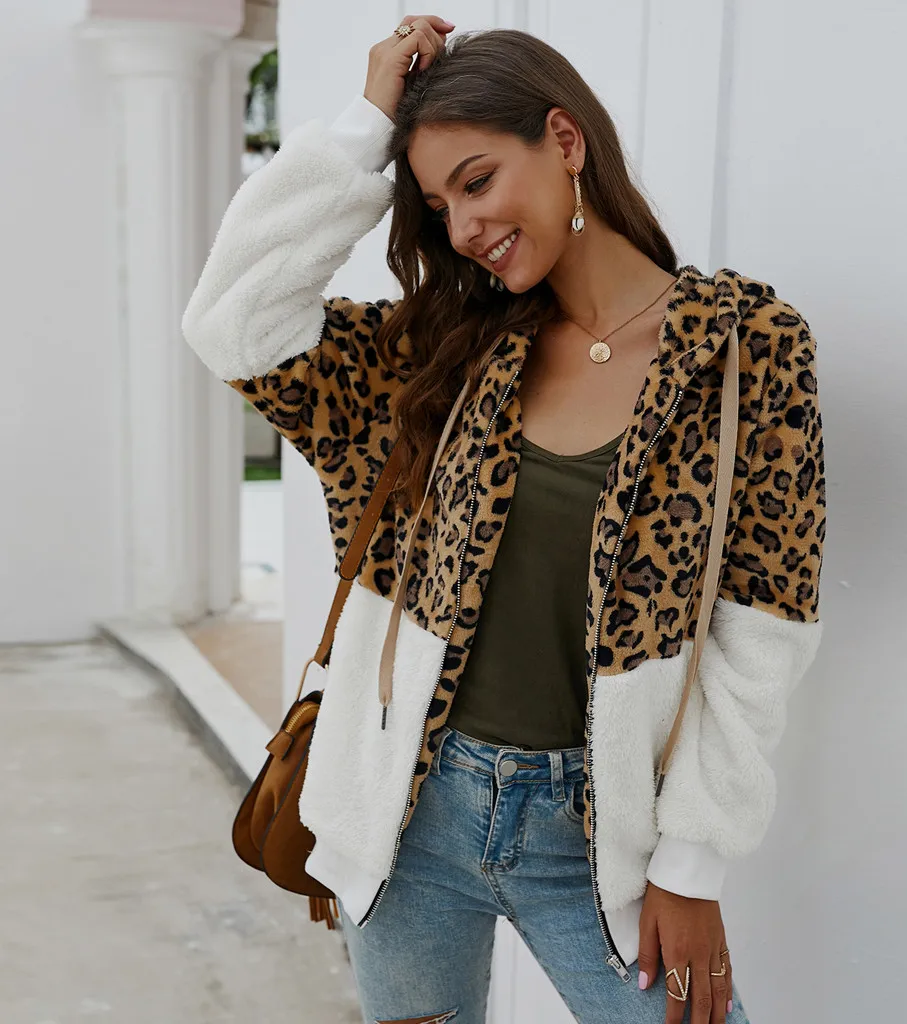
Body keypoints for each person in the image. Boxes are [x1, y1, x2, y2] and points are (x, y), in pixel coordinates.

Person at [182, 18, 826, 1024]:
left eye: (477, 181)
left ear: (564, 141)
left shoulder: (745, 353)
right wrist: (364, 127)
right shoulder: (439, 352)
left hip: (599, 840)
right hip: (408, 820)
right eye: (440, 206)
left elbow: (762, 625)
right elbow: (231, 319)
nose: (464, 227)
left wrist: (692, 864)